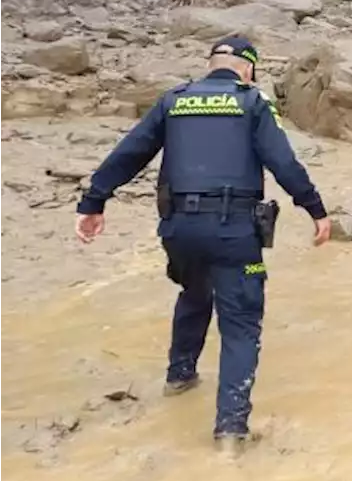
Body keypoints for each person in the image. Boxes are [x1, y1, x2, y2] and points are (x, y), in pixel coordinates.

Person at [74, 36, 331, 452]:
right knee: (241, 325)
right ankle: (230, 430)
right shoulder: (252, 102)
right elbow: (283, 162)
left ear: (212, 64)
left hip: (179, 231)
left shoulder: (174, 100)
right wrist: (315, 209)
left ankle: (179, 377)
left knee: (194, 291)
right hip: (233, 231)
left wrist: (93, 201)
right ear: (248, 69)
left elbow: (130, 152)